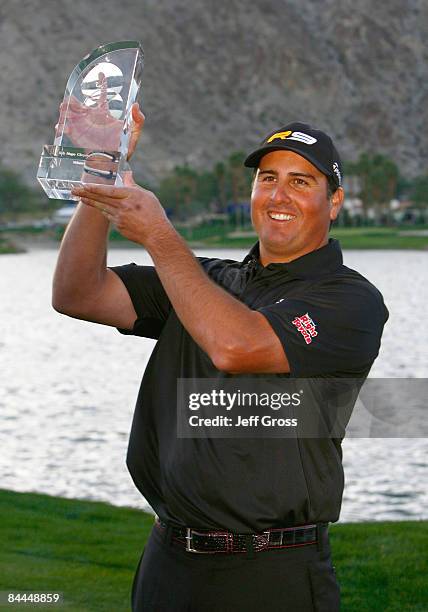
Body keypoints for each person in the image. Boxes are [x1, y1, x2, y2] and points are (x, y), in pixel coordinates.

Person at [52, 111, 389, 611]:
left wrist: (160, 237)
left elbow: (239, 346)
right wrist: (105, 168)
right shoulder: (204, 279)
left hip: (271, 574)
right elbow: (78, 293)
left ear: (334, 202)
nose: (279, 195)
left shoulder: (350, 300)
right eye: (267, 179)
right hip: (167, 563)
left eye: (301, 181)